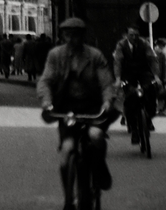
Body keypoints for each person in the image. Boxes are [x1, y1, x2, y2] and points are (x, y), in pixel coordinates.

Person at [38, 17, 119, 198]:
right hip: (67, 108)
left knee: (96, 135)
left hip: (92, 106)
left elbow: (106, 83)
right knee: (67, 151)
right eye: (66, 36)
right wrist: (47, 101)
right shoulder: (55, 55)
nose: (70, 40)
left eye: (74, 36)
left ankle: (99, 168)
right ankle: (68, 198)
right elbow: (46, 80)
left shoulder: (94, 56)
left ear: (83, 37)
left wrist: (107, 102)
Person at [113, 23, 159, 144]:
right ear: (127, 35)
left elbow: (152, 60)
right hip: (128, 74)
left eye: (136, 35)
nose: (134, 37)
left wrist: (157, 76)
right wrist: (118, 79)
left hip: (144, 72)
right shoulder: (121, 45)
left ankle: (148, 118)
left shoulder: (144, 43)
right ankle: (134, 130)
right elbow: (118, 62)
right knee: (129, 99)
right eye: (131, 35)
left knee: (151, 90)